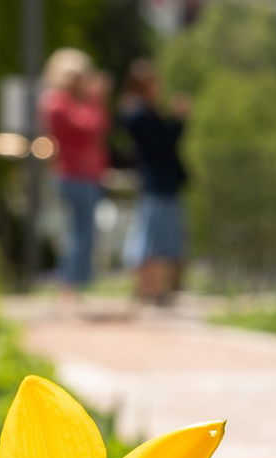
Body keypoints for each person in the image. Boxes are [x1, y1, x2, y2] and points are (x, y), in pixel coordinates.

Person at [119, 59, 190, 305]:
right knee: (150, 238)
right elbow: (163, 143)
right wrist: (178, 120)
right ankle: (146, 288)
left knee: (166, 238)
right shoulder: (138, 113)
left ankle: (159, 288)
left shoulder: (145, 111)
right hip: (155, 182)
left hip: (164, 182)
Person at [42, 50, 111, 297]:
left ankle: (76, 286)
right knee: (75, 234)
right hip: (71, 176)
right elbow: (91, 126)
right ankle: (69, 287)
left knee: (85, 234)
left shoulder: (72, 103)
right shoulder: (57, 103)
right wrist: (94, 100)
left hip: (86, 176)